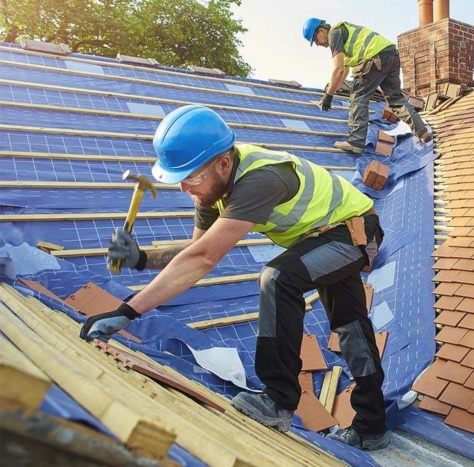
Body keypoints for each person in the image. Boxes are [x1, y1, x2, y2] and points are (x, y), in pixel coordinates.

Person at [79, 104, 390, 451]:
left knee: (277, 278)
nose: (185, 188)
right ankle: (371, 426)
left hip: (355, 232)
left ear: (224, 164)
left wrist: (127, 312)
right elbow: (196, 251)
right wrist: (141, 259)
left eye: (192, 177)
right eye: (179, 178)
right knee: (350, 326)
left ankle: (278, 400)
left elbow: (202, 260)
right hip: (322, 237)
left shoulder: (261, 179)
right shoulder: (211, 187)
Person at [303, 17, 432, 154]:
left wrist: (328, 96)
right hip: (391, 55)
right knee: (395, 99)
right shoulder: (344, 36)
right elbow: (343, 72)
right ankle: (422, 132)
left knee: (358, 98)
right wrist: (332, 92)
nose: (317, 44)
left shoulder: (334, 34)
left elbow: (338, 69)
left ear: (322, 30)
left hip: (374, 58)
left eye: (315, 39)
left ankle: (356, 142)